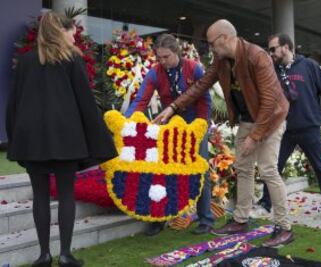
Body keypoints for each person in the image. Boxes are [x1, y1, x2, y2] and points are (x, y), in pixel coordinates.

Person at [154, 20, 294, 247]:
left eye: (211, 43)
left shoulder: (257, 56)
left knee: (268, 169)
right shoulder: (220, 60)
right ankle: (241, 220)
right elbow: (201, 85)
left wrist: (254, 136)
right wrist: (173, 107)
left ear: (224, 39)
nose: (210, 48)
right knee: (243, 168)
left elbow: (269, 102)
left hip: (271, 119)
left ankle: (284, 227)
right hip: (248, 119)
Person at [6, 12, 117, 267]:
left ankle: (44, 255)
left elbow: (13, 105)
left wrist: (15, 139)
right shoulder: (72, 59)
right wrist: (100, 139)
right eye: (70, 31)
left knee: (40, 196)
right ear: (60, 31)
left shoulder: (25, 61)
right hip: (66, 140)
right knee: (66, 195)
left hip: (31, 140)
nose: (73, 35)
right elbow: (85, 103)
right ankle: (65, 255)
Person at [125, 33, 214, 236]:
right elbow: (141, 100)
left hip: (194, 124)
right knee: (164, 171)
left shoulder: (194, 68)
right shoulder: (155, 72)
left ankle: (206, 218)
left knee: (201, 170)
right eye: (159, 57)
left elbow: (204, 100)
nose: (162, 62)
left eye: (166, 57)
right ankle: (160, 218)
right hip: (169, 125)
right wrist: (128, 122)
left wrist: (202, 125)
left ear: (176, 53)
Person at [250, 33, 321, 222]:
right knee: (273, 168)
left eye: (274, 49)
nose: (271, 53)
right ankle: (266, 205)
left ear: (286, 47)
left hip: (309, 127)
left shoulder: (309, 66)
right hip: (282, 129)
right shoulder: (272, 70)